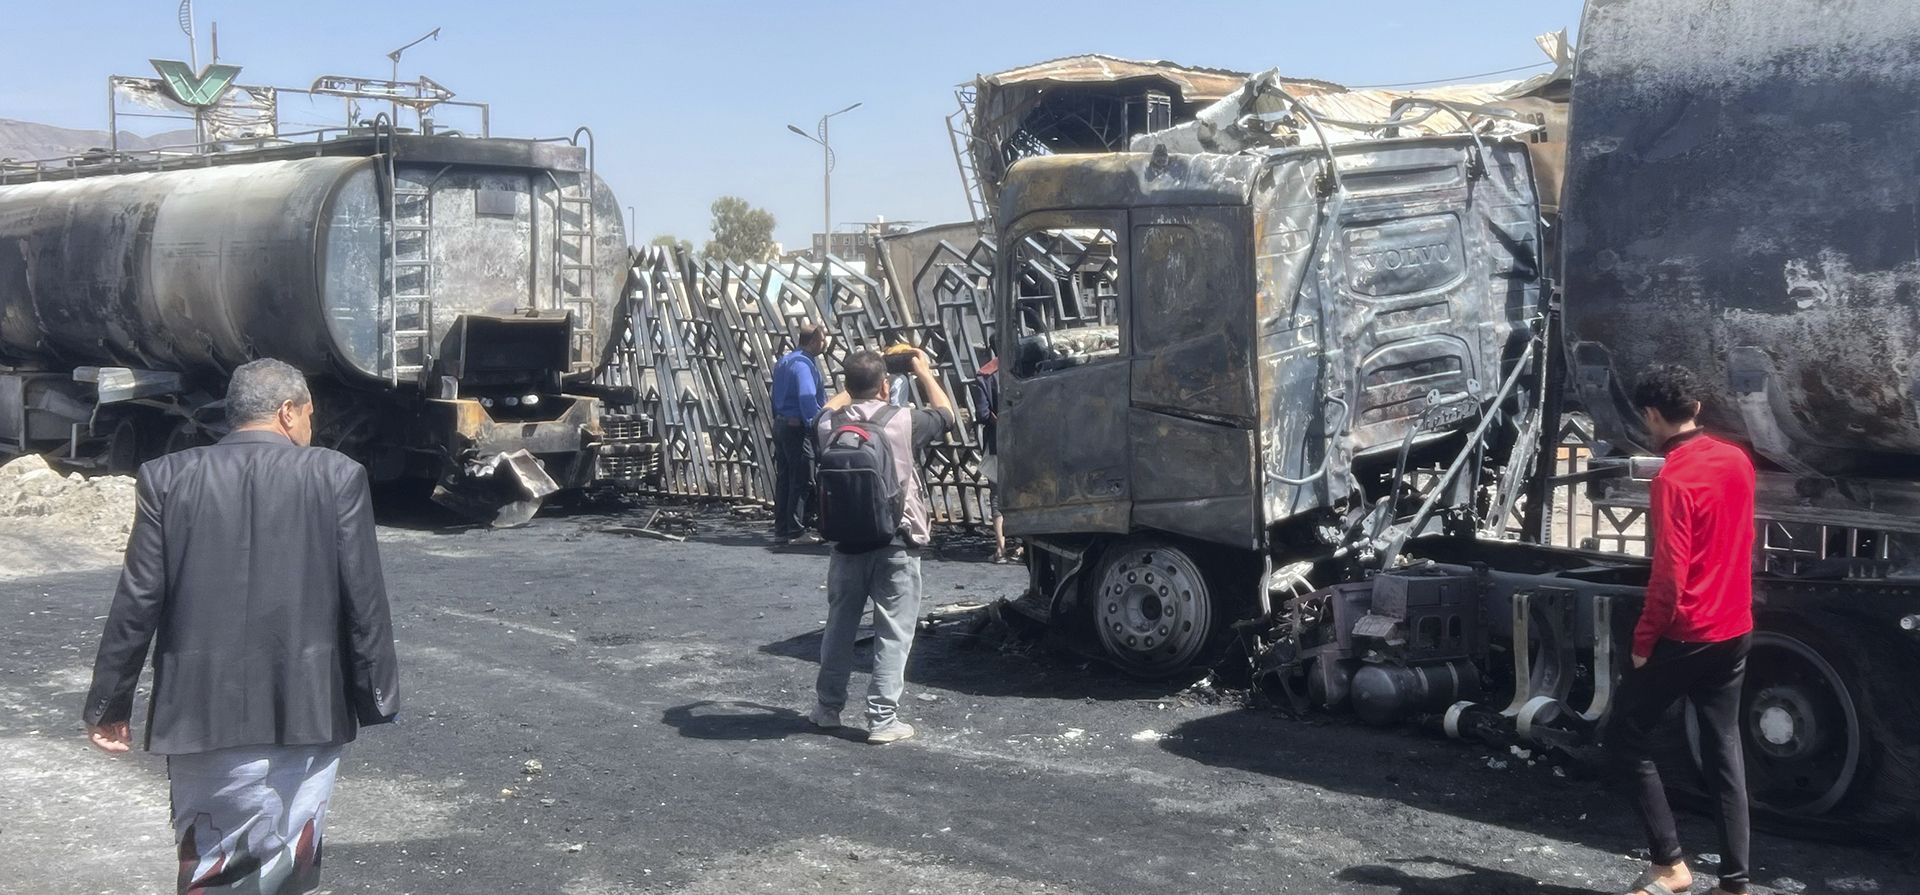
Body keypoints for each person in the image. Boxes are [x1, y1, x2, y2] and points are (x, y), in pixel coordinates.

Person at [82, 358, 400, 895]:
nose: (309, 429)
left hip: (199, 712)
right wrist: (374, 698)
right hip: (309, 706)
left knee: (210, 863)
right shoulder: (336, 475)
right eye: (308, 416)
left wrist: (110, 704)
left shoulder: (166, 477)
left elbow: (138, 600)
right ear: (286, 412)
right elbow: (363, 601)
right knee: (289, 869)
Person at [1606, 364, 1756, 895]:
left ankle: (1670, 865)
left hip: (1688, 633)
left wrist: (1644, 642)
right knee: (1724, 748)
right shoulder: (1737, 461)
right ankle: (1735, 882)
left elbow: (1669, 576)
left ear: (1652, 415)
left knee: (1625, 737)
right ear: (1696, 409)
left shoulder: (1673, 478)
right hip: (1735, 628)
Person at [810, 347, 955, 744]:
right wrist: (922, 370)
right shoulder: (902, 420)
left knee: (839, 628)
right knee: (892, 632)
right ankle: (882, 720)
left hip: (845, 543)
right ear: (886, 386)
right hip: (896, 541)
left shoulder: (827, 424)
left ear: (845, 385)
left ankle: (827, 708)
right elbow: (947, 414)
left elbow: (826, 408)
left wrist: (852, 387)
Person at [771, 323, 830, 546]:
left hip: (782, 425)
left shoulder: (785, 361)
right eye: (823, 339)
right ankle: (796, 531)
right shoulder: (804, 365)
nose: (824, 343)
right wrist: (818, 424)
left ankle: (782, 530)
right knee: (802, 478)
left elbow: (774, 395)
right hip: (797, 429)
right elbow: (807, 398)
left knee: (784, 478)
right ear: (814, 341)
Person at [968, 352, 1013, 563]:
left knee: (997, 495)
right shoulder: (1026, 367)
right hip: (1030, 443)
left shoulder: (985, 375)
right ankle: (1024, 547)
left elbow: (983, 414)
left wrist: (998, 422)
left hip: (997, 442)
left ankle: (1001, 549)